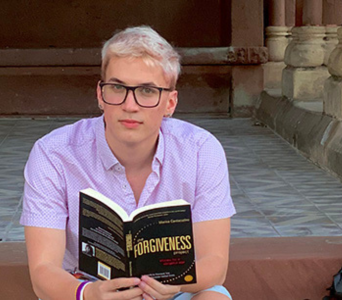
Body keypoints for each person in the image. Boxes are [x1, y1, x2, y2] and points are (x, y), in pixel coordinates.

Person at [22, 26, 236, 300]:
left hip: (170, 292)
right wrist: (89, 293)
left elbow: (215, 264)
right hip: (85, 291)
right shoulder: (53, 154)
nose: (130, 105)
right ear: (101, 95)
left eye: (147, 91)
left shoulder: (201, 151)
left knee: (215, 297)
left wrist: (173, 285)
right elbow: (43, 271)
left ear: (170, 102)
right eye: (118, 87)